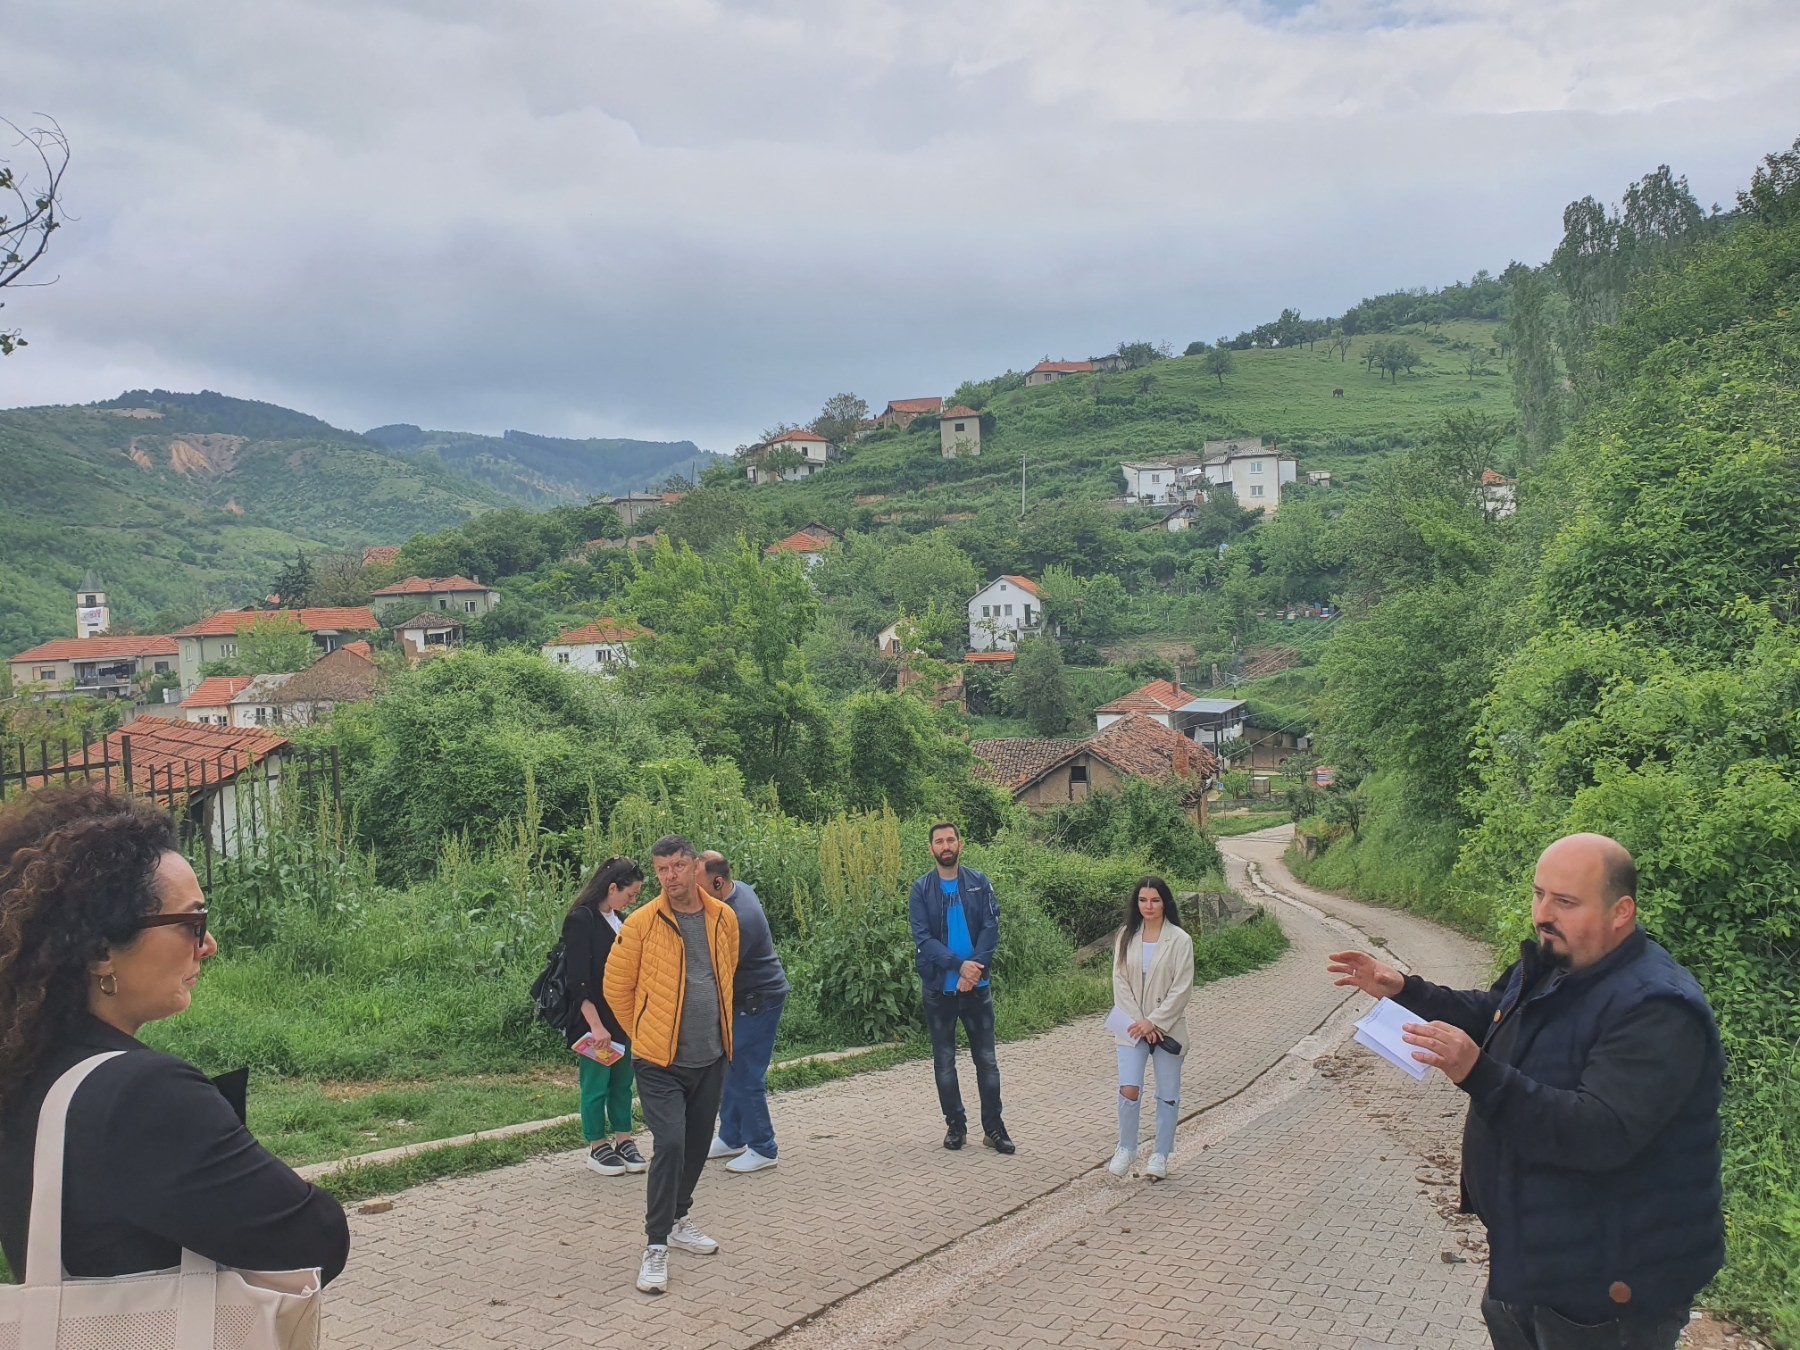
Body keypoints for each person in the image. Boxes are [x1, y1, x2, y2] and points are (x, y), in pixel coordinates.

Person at [1327, 833, 1724, 1350]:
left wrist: (1477, 1072)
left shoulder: (1657, 1008)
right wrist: (1406, 989)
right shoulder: (1554, 963)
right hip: (1534, 1255)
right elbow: (1492, 1013)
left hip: (1609, 1285)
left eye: (1565, 901)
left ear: (1621, 911)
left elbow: (1598, 1132)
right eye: (1539, 894)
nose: (1542, 914)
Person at [0, 786, 350, 1286]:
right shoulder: (141, 1093)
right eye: (192, 921)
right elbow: (315, 1241)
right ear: (102, 950)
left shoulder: (28, 1069)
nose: (208, 944)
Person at [603, 833, 738, 1296]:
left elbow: (727, 972)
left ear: (696, 866)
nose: (670, 877)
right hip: (659, 1060)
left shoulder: (723, 918)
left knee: (698, 1144)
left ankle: (681, 1218)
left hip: (711, 1056)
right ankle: (655, 1243)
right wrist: (645, 1030)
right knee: (672, 1144)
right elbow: (616, 988)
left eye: (678, 867)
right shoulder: (640, 923)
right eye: (661, 870)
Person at [907, 821, 1011, 1154]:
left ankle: (994, 1129)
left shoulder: (979, 883)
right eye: (939, 841)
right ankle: (956, 1126)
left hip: (977, 988)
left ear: (960, 844)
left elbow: (990, 928)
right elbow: (923, 938)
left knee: (987, 1062)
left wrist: (973, 970)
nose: (945, 845)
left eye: (950, 839)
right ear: (931, 849)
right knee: (944, 1062)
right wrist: (958, 966)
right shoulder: (921, 890)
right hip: (940, 990)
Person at [699, 851, 789, 1174]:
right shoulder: (736, 892)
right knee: (730, 1068)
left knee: (746, 1073)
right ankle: (732, 1136)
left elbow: (718, 970)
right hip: (746, 999)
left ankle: (763, 1147)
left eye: (700, 885)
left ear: (718, 882)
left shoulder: (740, 917)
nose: (696, 893)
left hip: (759, 1000)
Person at [562, 855, 648, 1177]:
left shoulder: (621, 920)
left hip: (622, 1018)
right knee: (596, 1084)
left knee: (623, 1083)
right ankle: (597, 1145)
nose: (632, 900)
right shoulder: (581, 920)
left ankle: (624, 1138)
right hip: (594, 1021)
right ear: (612, 887)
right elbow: (578, 981)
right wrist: (596, 1025)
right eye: (630, 894)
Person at [1107, 877, 1193, 1182]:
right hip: (1131, 1027)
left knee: (1167, 1094)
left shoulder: (1180, 940)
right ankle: (1126, 1147)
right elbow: (1120, 981)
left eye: (1154, 900)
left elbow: (1182, 988)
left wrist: (1155, 1021)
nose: (1148, 906)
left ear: (1165, 902)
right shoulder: (1125, 936)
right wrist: (1140, 1023)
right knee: (1129, 1087)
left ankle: (1161, 1153)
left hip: (1167, 1028)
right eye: (1143, 901)